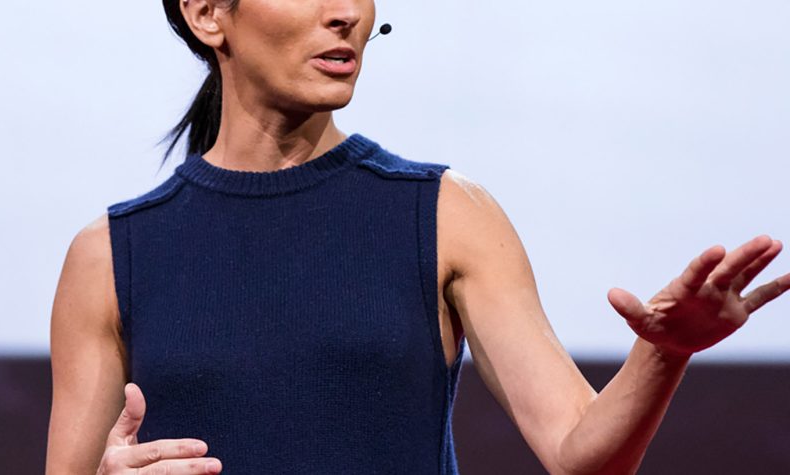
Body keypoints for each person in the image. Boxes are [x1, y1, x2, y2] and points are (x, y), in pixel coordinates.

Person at [45, 1, 790, 474]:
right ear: (209, 14)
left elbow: (578, 452)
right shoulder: (111, 255)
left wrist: (664, 353)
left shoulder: (446, 213)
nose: (348, 14)